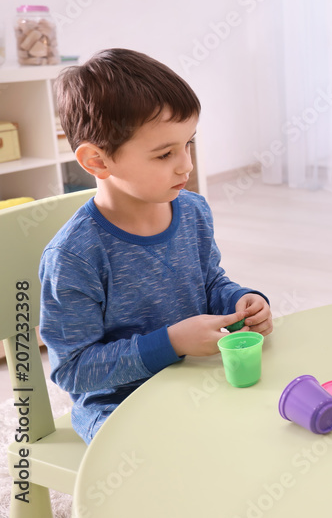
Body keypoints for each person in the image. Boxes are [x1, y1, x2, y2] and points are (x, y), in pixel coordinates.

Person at [39, 49, 272, 443]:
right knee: (164, 457)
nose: (186, 165)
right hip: (118, 405)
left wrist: (240, 301)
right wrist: (170, 343)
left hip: (193, 376)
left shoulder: (193, 211)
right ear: (97, 161)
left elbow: (210, 282)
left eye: (188, 144)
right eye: (165, 154)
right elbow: (73, 370)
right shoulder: (74, 255)